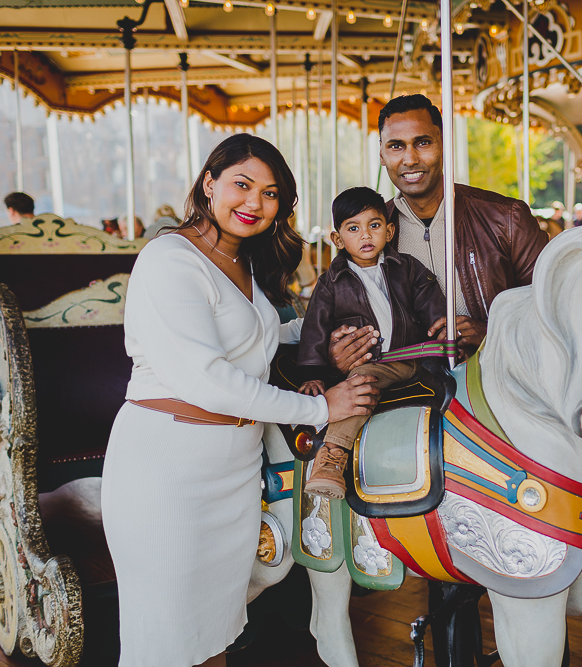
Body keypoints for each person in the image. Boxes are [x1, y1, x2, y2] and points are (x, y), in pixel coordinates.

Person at [100, 134, 378, 667]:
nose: (254, 203)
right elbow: (207, 378)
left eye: (270, 194)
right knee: (164, 637)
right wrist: (323, 408)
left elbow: (262, 337)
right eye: (242, 185)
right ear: (209, 184)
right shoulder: (169, 259)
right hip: (169, 470)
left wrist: (335, 334)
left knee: (214, 633)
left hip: (232, 469)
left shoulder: (242, 264)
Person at [328, 94, 549, 373]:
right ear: (382, 155)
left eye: (423, 142)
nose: (410, 159)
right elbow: (341, 313)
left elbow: (554, 305)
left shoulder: (506, 219)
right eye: (396, 146)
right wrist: (337, 351)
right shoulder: (369, 232)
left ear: (443, 145)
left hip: (499, 375)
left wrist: (490, 331)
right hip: (408, 381)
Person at [297, 186, 446, 499]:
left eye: (374, 226)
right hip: (370, 366)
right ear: (337, 239)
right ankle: (331, 457)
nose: (365, 235)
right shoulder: (331, 283)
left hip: (410, 359)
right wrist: (312, 373)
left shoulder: (406, 268)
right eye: (353, 228)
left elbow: (428, 297)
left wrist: (441, 325)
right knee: (361, 380)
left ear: (389, 231)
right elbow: (316, 329)